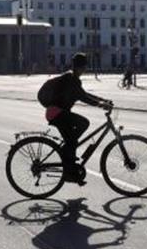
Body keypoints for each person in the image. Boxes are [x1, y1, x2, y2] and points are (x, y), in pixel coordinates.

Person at [39, 52, 112, 185]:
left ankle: (69, 159)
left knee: (72, 139)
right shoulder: (71, 79)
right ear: (80, 67)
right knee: (82, 124)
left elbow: (83, 94)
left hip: (56, 113)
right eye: (84, 66)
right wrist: (100, 105)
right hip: (56, 113)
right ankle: (68, 163)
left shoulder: (71, 78)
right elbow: (83, 97)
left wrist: (103, 100)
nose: (85, 69)